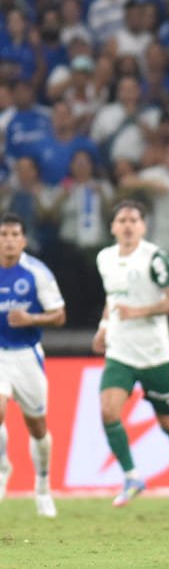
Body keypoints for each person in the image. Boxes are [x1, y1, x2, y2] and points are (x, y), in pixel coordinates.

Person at [92, 200, 169, 513]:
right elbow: (112, 297)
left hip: (154, 354)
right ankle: (132, 477)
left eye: (133, 220)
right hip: (120, 351)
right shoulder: (105, 258)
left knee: (168, 421)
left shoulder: (155, 258)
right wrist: (104, 327)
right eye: (122, 220)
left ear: (143, 226)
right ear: (113, 227)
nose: (127, 225)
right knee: (108, 411)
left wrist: (139, 311)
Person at [0, 214, 66, 518]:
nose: (9, 239)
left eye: (15, 234)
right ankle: (3, 469)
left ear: (23, 240)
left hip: (27, 355)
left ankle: (42, 486)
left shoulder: (37, 272)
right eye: (4, 234)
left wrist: (32, 319)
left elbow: (59, 315)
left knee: (37, 428)